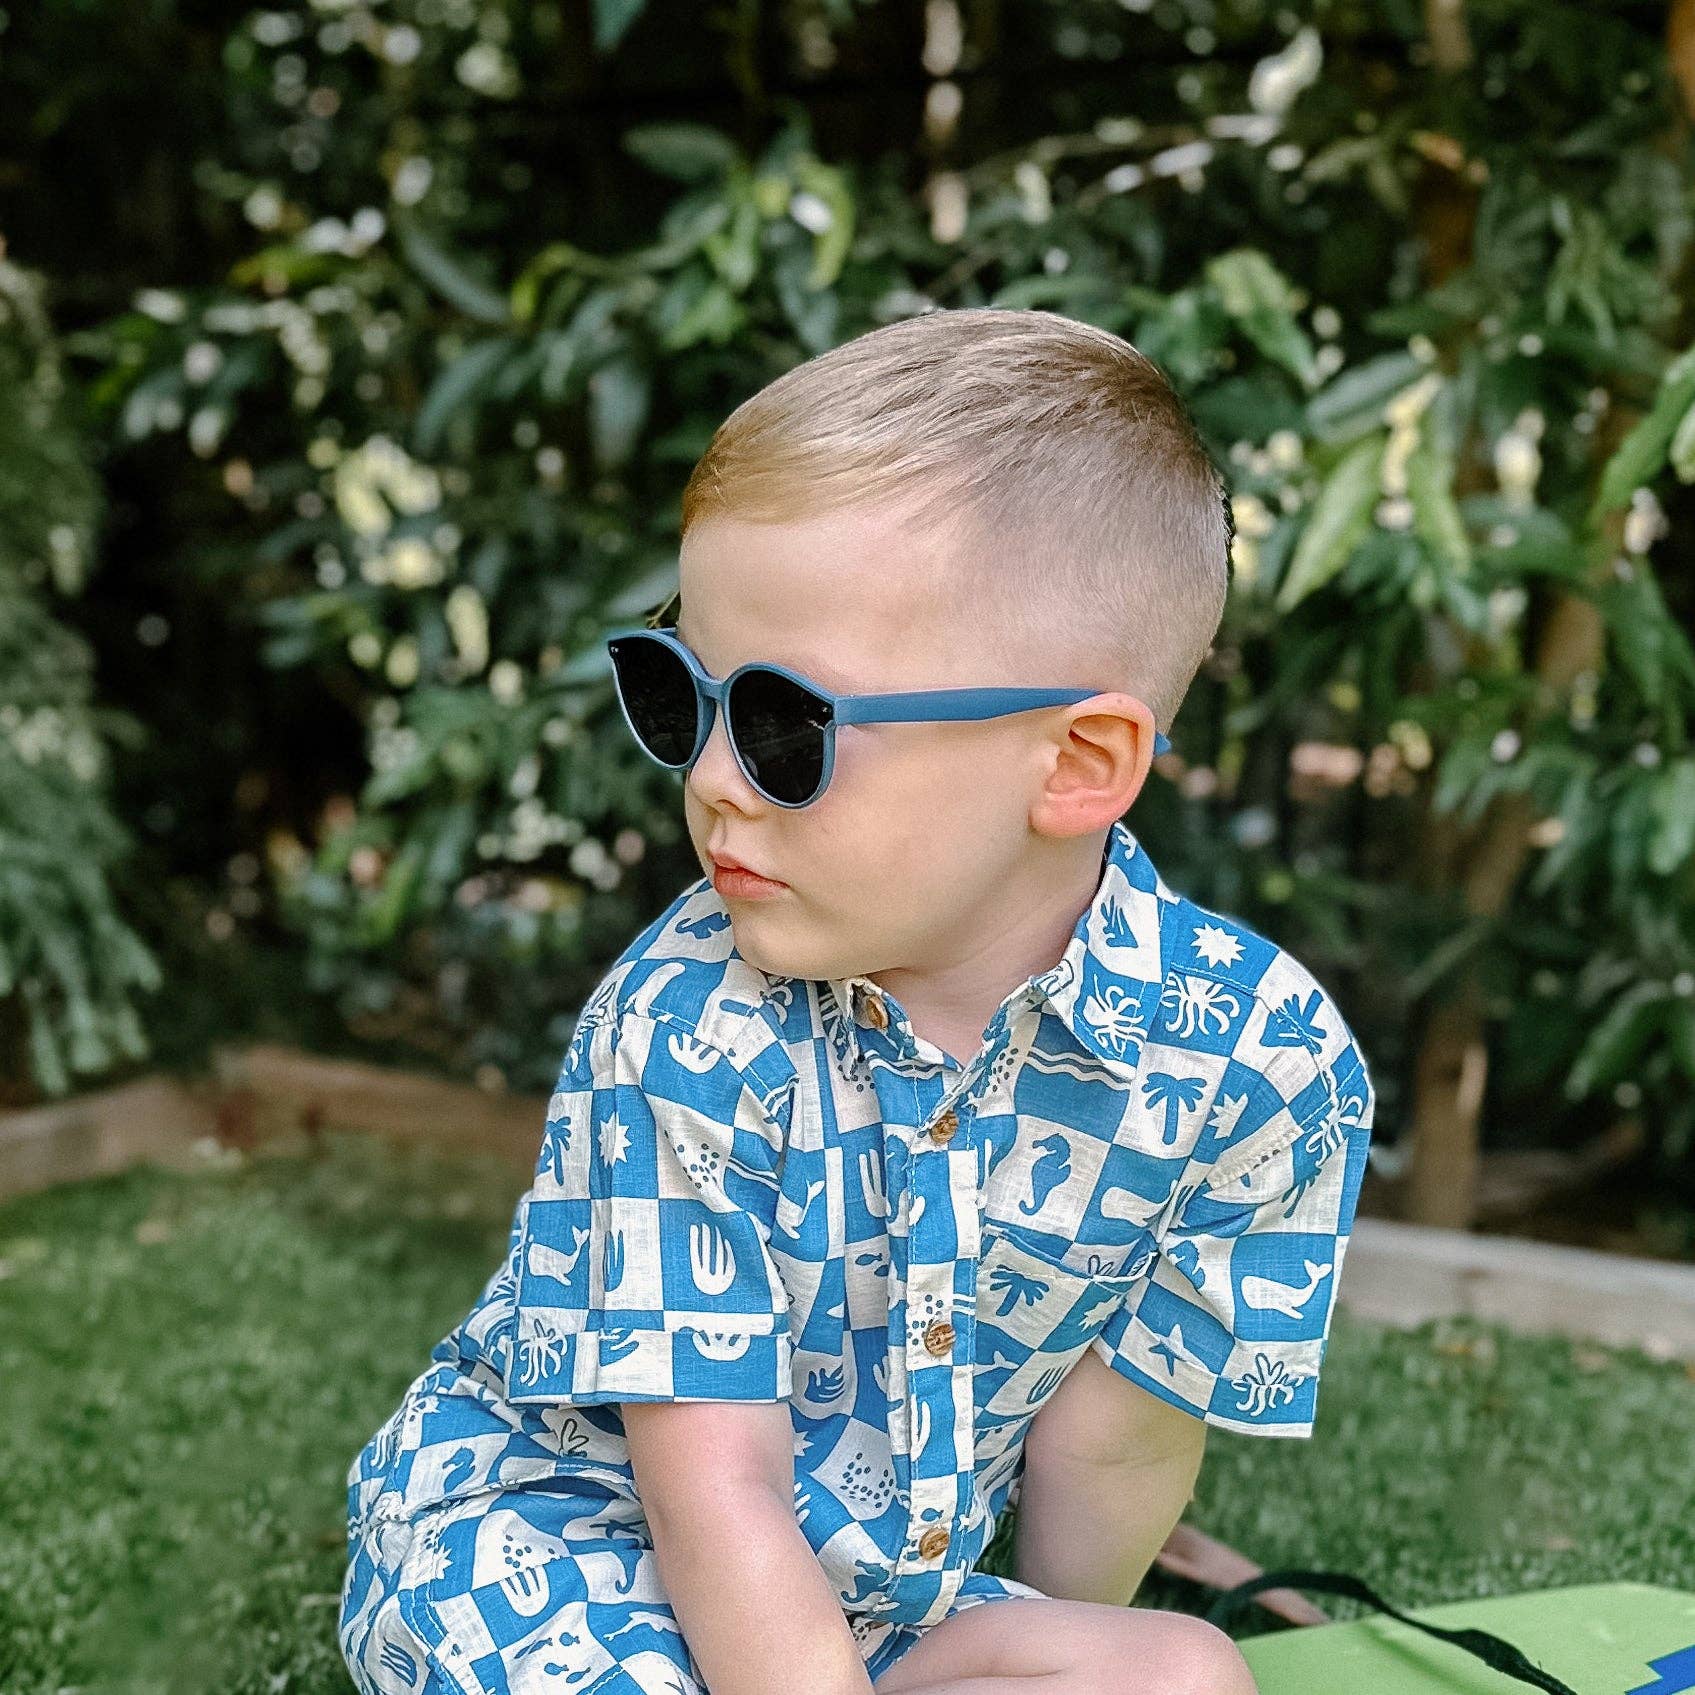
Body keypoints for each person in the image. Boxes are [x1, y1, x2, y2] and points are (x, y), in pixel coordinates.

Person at [338, 307, 1376, 1695]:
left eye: (787, 726)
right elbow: (714, 1490)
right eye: (679, 697)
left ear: (1076, 764)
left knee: (1185, 1677)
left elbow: (1117, 1444)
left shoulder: (1261, 1064)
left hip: (878, 1593)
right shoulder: (686, 1023)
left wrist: (1040, 1632)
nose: (714, 779)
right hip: (561, 1542)